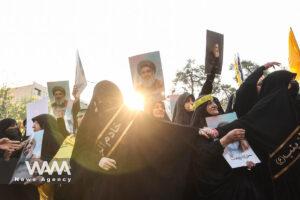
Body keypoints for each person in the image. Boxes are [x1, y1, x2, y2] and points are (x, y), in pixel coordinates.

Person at [211, 70, 300, 200]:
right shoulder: (259, 110)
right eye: (285, 85)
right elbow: (242, 121)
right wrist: (216, 131)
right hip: (274, 177)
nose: (288, 88)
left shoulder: (291, 105)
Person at [187, 94, 267, 200]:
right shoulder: (198, 131)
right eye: (209, 103)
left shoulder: (228, 124)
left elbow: (238, 155)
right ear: (201, 108)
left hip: (240, 184)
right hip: (219, 188)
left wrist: (246, 160)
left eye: (215, 102)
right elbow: (204, 158)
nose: (215, 105)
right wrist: (226, 140)